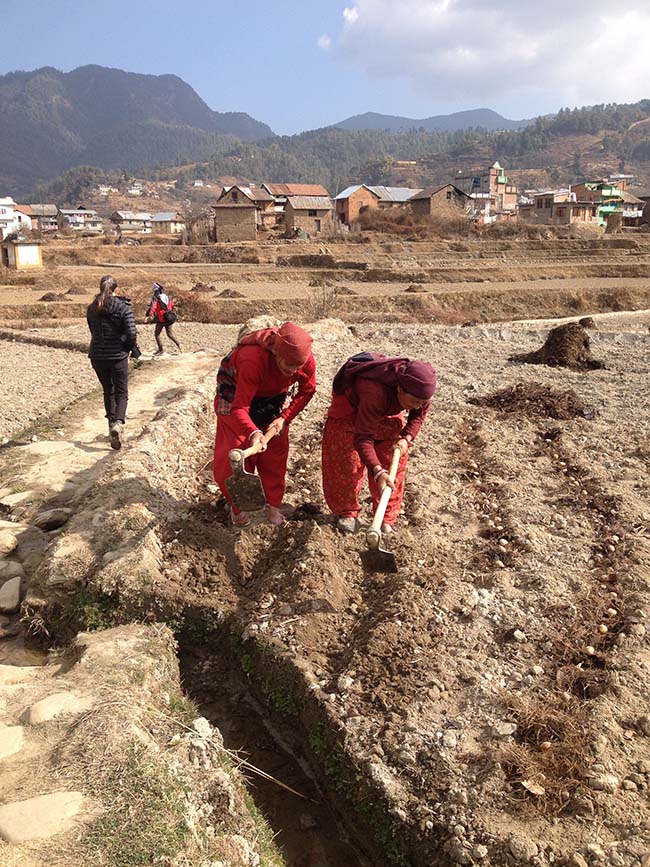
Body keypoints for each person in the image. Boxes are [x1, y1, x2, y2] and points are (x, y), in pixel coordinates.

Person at [213, 321, 316, 526]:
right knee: (235, 454)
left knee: (275, 455)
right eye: (289, 365)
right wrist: (252, 433)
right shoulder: (252, 360)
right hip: (235, 397)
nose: (293, 370)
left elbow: (307, 390)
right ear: (276, 352)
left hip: (273, 399)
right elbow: (240, 408)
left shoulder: (304, 361)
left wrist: (283, 418)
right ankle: (237, 508)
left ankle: (274, 508)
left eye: (298, 367)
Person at [321, 352, 436, 534]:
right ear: (400, 388)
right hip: (351, 411)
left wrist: (407, 437)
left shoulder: (420, 395)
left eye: (422, 402)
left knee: (393, 463)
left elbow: (418, 415)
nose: (417, 406)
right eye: (414, 401)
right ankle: (347, 512)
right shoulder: (373, 392)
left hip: (384, 409)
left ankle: (385, 518)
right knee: (347, 461)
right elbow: (363, 438)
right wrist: (377, 471)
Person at [86, 274, 138, 450]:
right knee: (121, 392)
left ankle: (110, 426)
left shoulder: (92, 307)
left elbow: (93, 331)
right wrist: (129, 348)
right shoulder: (123, 307)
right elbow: (131, 333)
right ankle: (118, 423)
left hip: (97, 356)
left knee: (108, 391)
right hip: (117, 355)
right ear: (115, 288)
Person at [145, 282, 182, 355]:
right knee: (170, 334)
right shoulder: (167, 297)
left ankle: (161, 350)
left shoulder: (156, 298)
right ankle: (179, 344)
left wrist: (148, 316)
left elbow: (153, 308)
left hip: (161, 319)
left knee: (157, 334)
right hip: (169, 318)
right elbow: (171, 305)